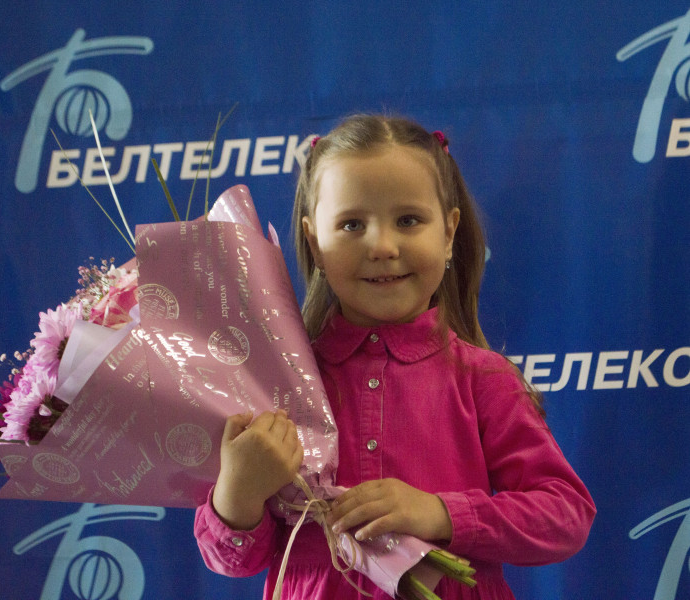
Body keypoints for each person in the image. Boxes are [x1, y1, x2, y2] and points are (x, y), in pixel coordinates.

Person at [194, 114, 596, 599]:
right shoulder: (276, 382)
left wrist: (440, 513)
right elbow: (231, 560)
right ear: (314, 242)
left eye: (408, 220)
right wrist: (237, 491)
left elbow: (565, 516)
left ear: (449, 232)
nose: (382, 246)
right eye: (351, 224)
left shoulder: (483, 379)